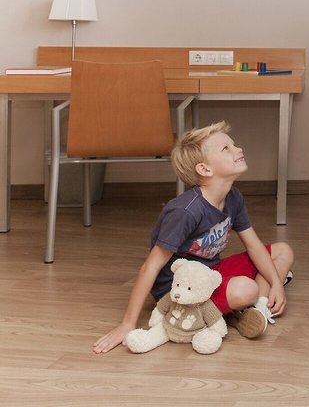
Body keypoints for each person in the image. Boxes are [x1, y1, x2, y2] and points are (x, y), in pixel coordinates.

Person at [92, 121, 294, 354]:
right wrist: (127, 324)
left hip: (210, 274)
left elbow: (254, 245)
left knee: (283, 251)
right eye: (226, 148)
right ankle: (230, 309)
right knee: (246, 289)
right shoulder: (185, 211)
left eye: (234, 145)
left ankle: (257, 309)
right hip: (180, 290)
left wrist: (276, 284)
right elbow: (150, 266)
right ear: (205, 169)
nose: (238, 149)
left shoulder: (234, 197)